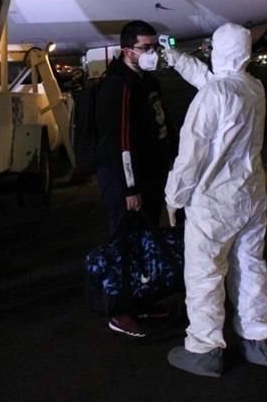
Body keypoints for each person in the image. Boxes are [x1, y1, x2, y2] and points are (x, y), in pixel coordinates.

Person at [163, 23, 267, 378]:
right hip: (250, 195)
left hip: (214, 200)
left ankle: (205, 348)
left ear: (218, 50)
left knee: (205, 273)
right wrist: (174, 58)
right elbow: (215, 81)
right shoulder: (252, 87)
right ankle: (258, 341)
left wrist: (173, 196)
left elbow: (192, 150)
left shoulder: (215, 94)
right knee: (250, 267)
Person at [95, 20, 173, 338]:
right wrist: (130, 187)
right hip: (125, 180)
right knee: (124, 245)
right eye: (145, 48)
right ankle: (119, 310)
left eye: (155, 46)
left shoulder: (147, 81)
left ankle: (140, 301)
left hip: (149, 176)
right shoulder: (119, 85)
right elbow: (121, 140)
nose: (151, 52)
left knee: (144, 243)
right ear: (127, 50)